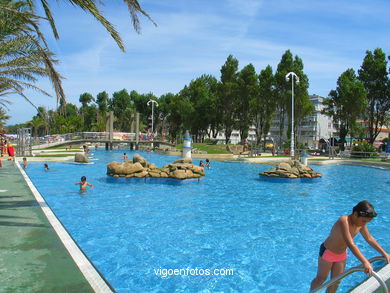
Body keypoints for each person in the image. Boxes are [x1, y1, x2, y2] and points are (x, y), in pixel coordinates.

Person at [310, 200, 390, 293]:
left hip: (341, 254)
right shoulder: (343, 221)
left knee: (336, 281)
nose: (364, 224)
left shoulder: (360, 224)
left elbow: (369, 238)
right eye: (363, 221)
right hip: (328, 252)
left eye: (366, 222)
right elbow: (350, 243)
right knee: (321, 279)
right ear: (355, 214)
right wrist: (365, 262)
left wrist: (384, 253)